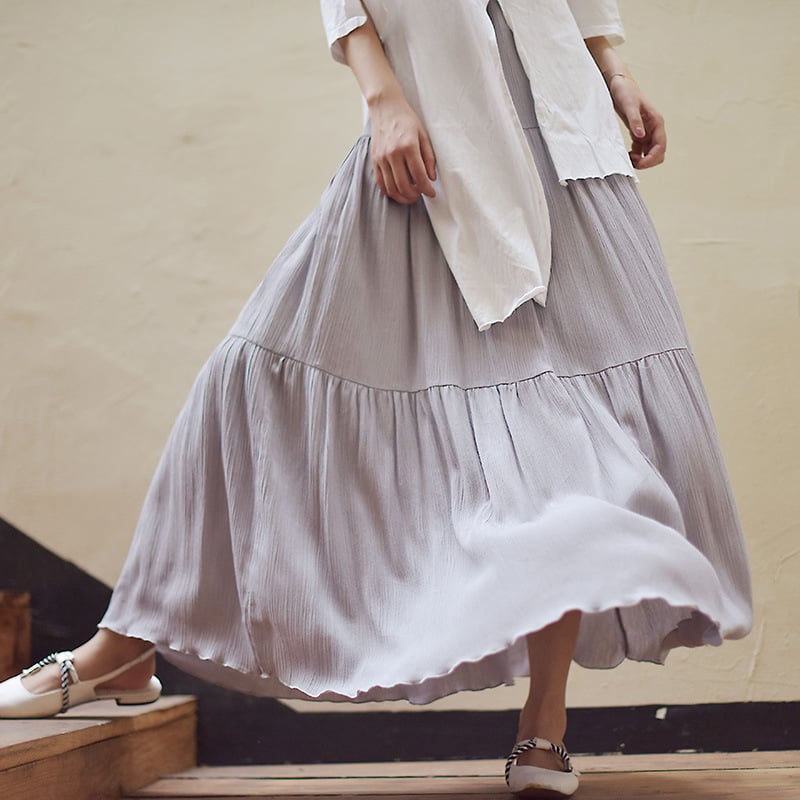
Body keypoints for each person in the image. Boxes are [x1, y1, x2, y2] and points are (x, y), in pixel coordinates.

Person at [0, 1, 752, 797]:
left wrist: (614, 71)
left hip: (568, 137)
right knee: (251, 373)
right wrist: (383, 97)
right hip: (432, 124)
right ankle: (121, 648)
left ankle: (545, 725)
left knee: (569, 432)